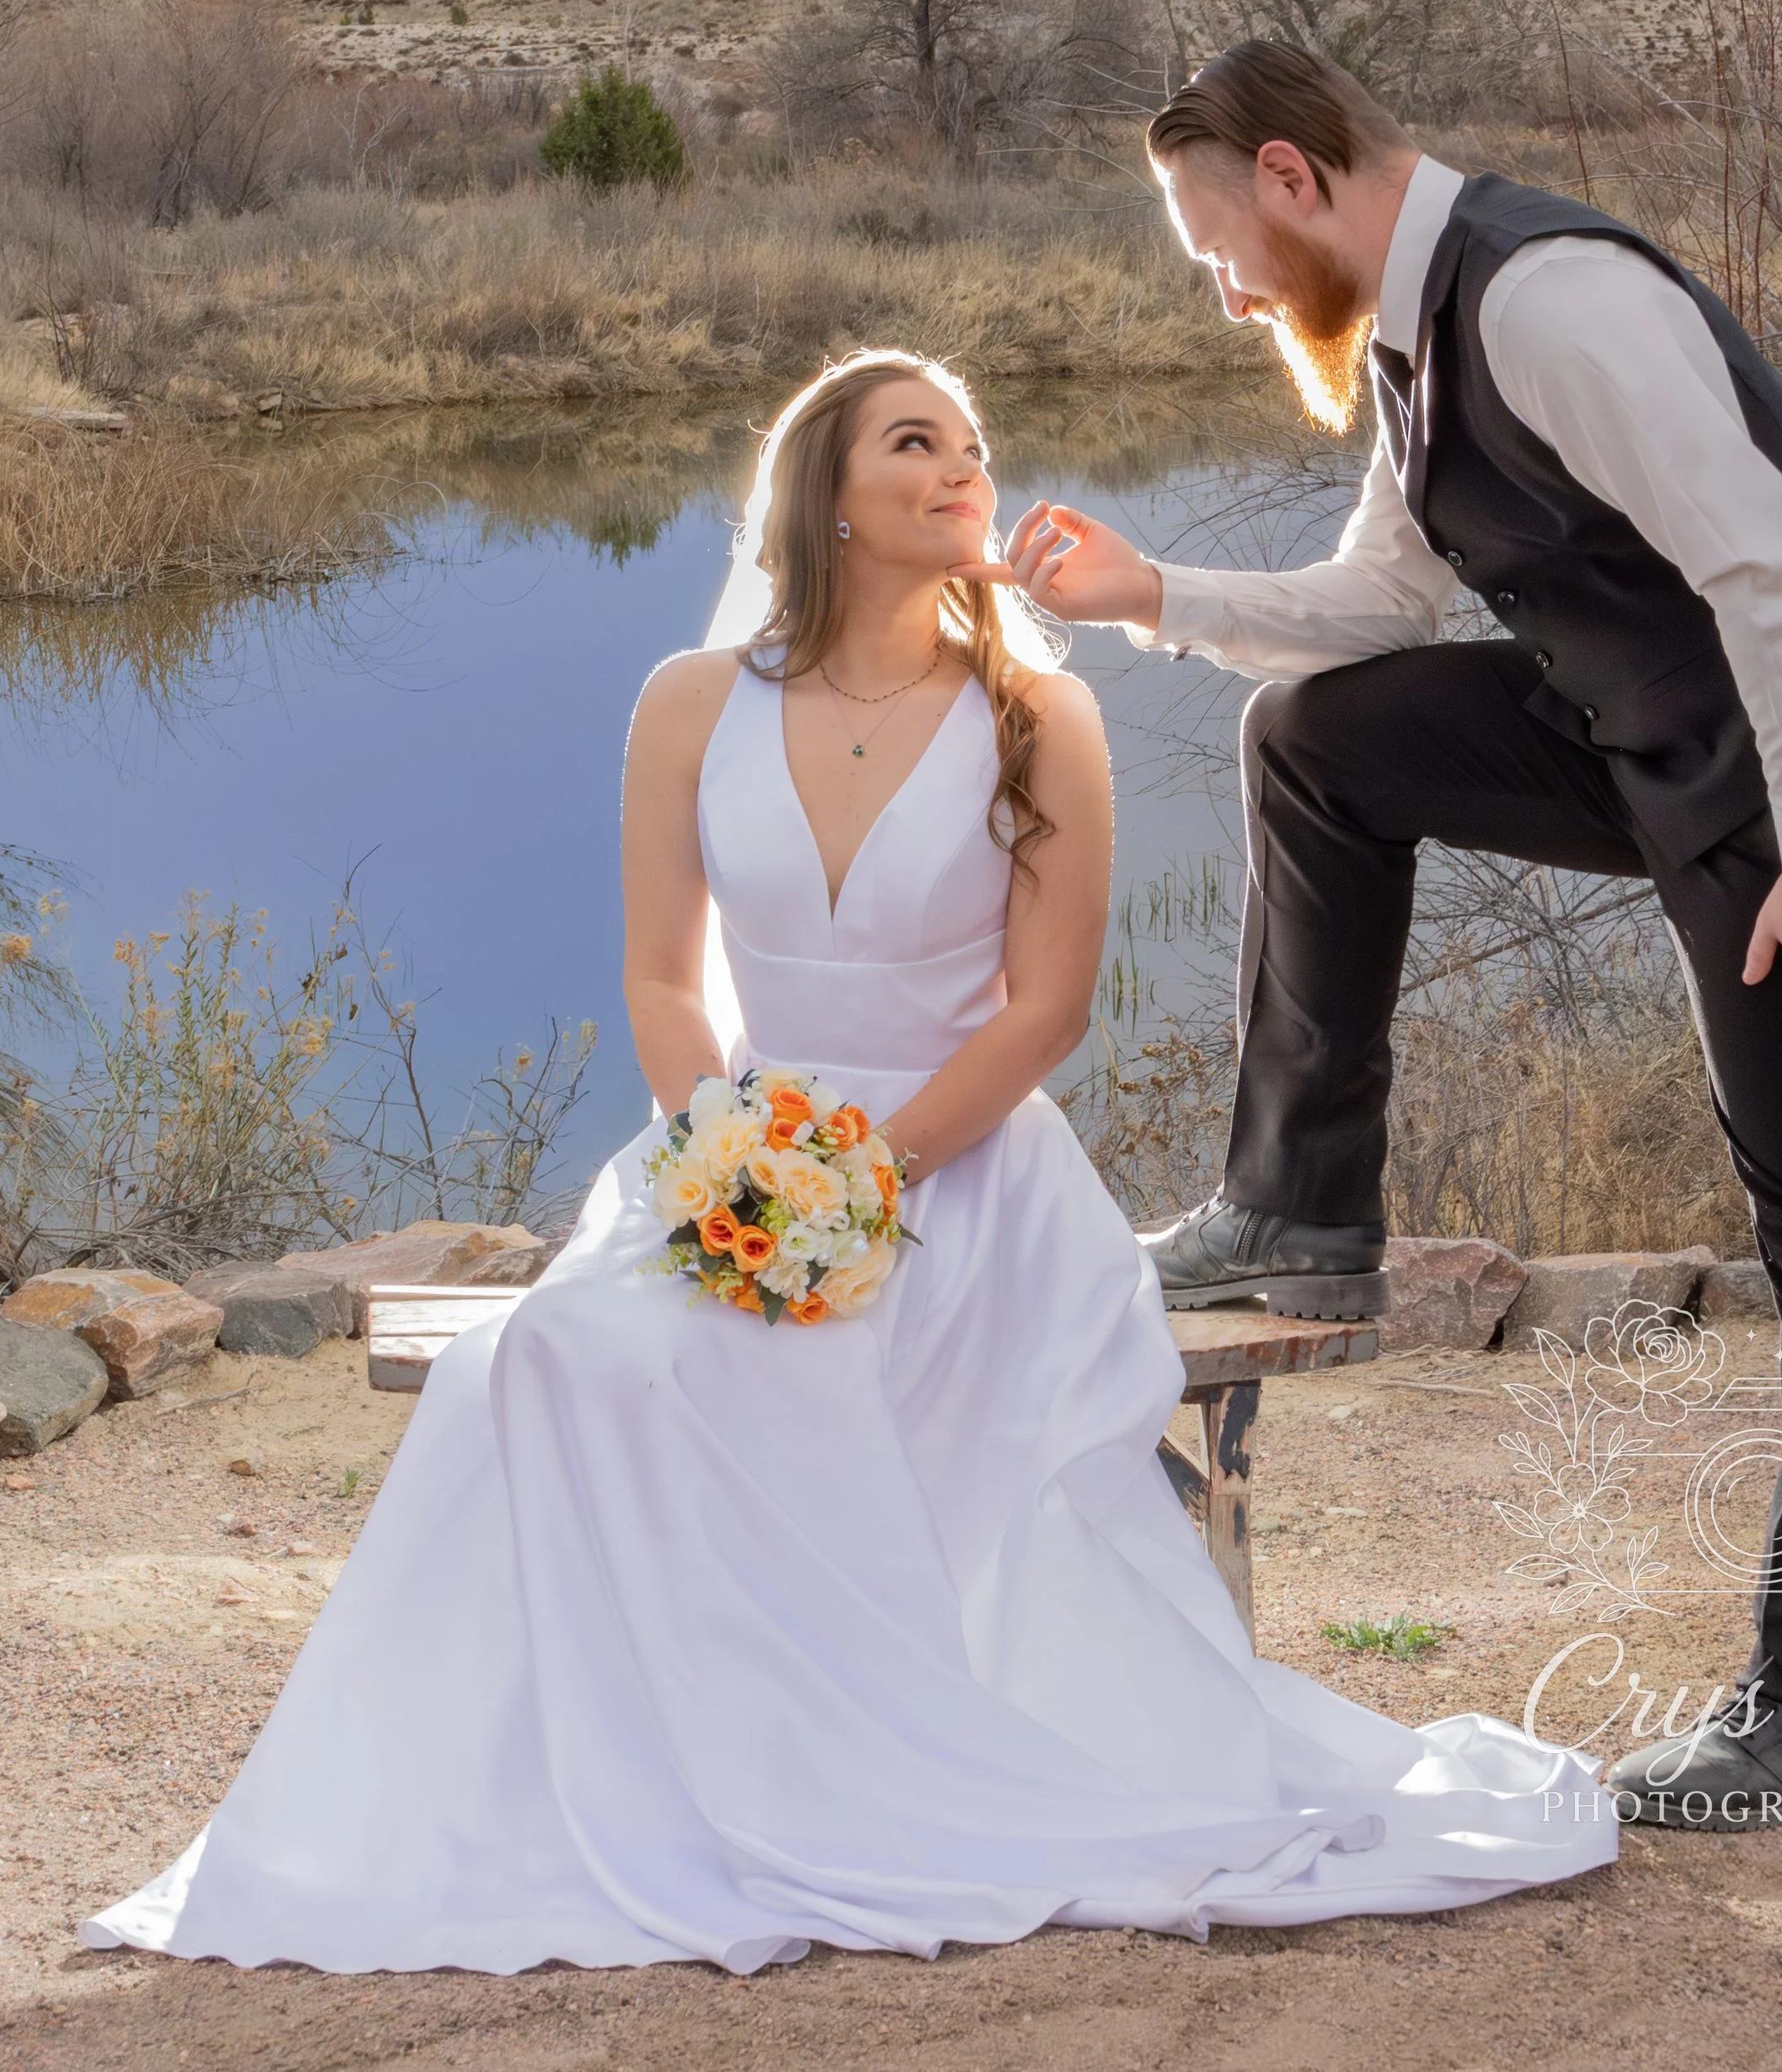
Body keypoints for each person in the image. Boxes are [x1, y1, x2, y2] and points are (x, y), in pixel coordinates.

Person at [83, 347, 1612, 1975]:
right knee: (540, 1365)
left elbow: (1047, 1010)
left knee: (799, 1380)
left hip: (963, 1169)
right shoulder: (690, 699)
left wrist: (865, 1175)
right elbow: (666, 977)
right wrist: (731, 1158)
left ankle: (839, 1779)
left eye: (971, 440)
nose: (963, 464)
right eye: (915, 440)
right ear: (824, 494)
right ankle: (603, 1781)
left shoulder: (1041, 712)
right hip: (726, 1152)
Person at [966, 43, 1782, 1832]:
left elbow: (1777, 572)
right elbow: (1385, 599)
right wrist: (1156, 595)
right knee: (1318, 735)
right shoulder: (1414, 340)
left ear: (1289, 175)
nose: (1215, 289)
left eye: (1214, 244)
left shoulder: (1553, 303)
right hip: (1664, 748)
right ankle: (1296, 1206)